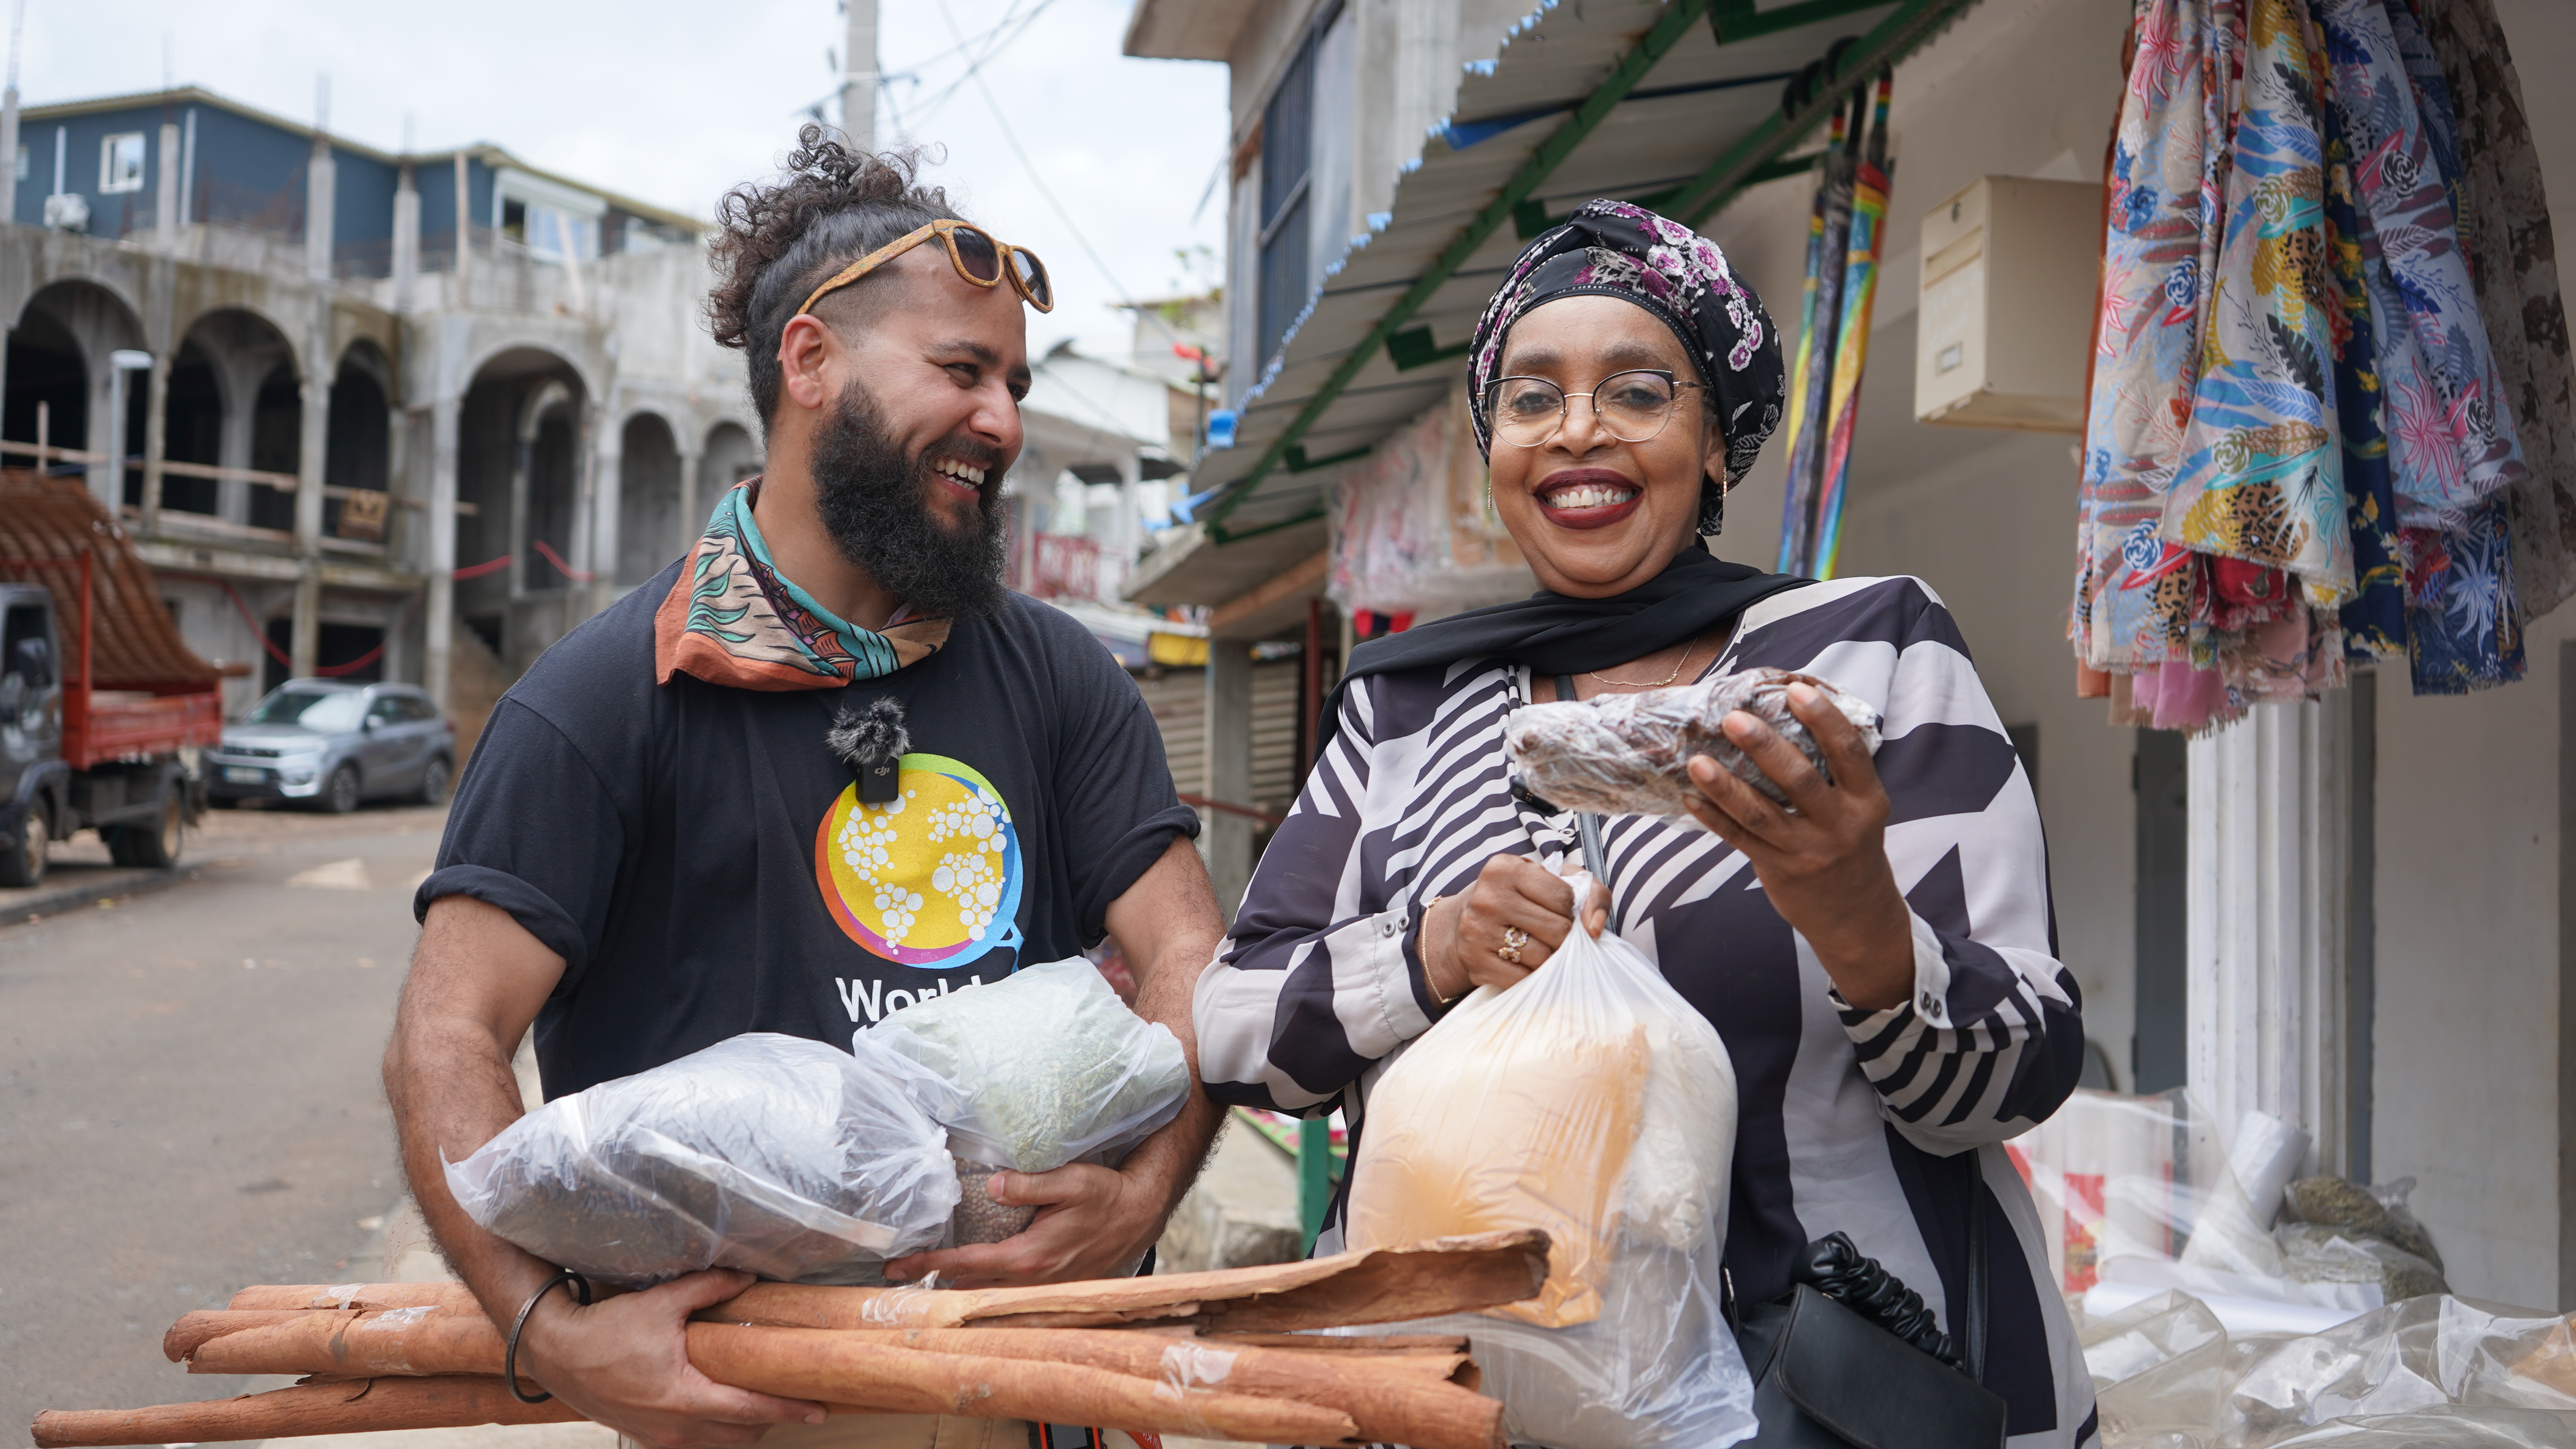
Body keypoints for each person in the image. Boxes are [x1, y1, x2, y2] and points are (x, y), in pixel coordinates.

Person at [1194, 200, 2099, 1448]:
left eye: (1636, 391)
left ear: (1718, 446)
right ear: (1492, 442)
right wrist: (1431, 951)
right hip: (1474, 1409)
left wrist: (1860, 926)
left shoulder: (1866, 655)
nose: (1578, 432)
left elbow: (2023, 1062)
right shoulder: (1405, 706)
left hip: (1833, 1398)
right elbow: (1238, 1030)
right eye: (1530, 398)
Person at [385, 130, 1224, 1449]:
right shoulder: (602, 700)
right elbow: (444, 1040)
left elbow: (1187, 951)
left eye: (1011, 380)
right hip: (744, 1411)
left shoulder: (1062, 676)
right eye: (962, 370)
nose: (1002, 420)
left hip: (1029, 1387)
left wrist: (1136, 1202)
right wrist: (552, 1335)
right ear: (812, 362)